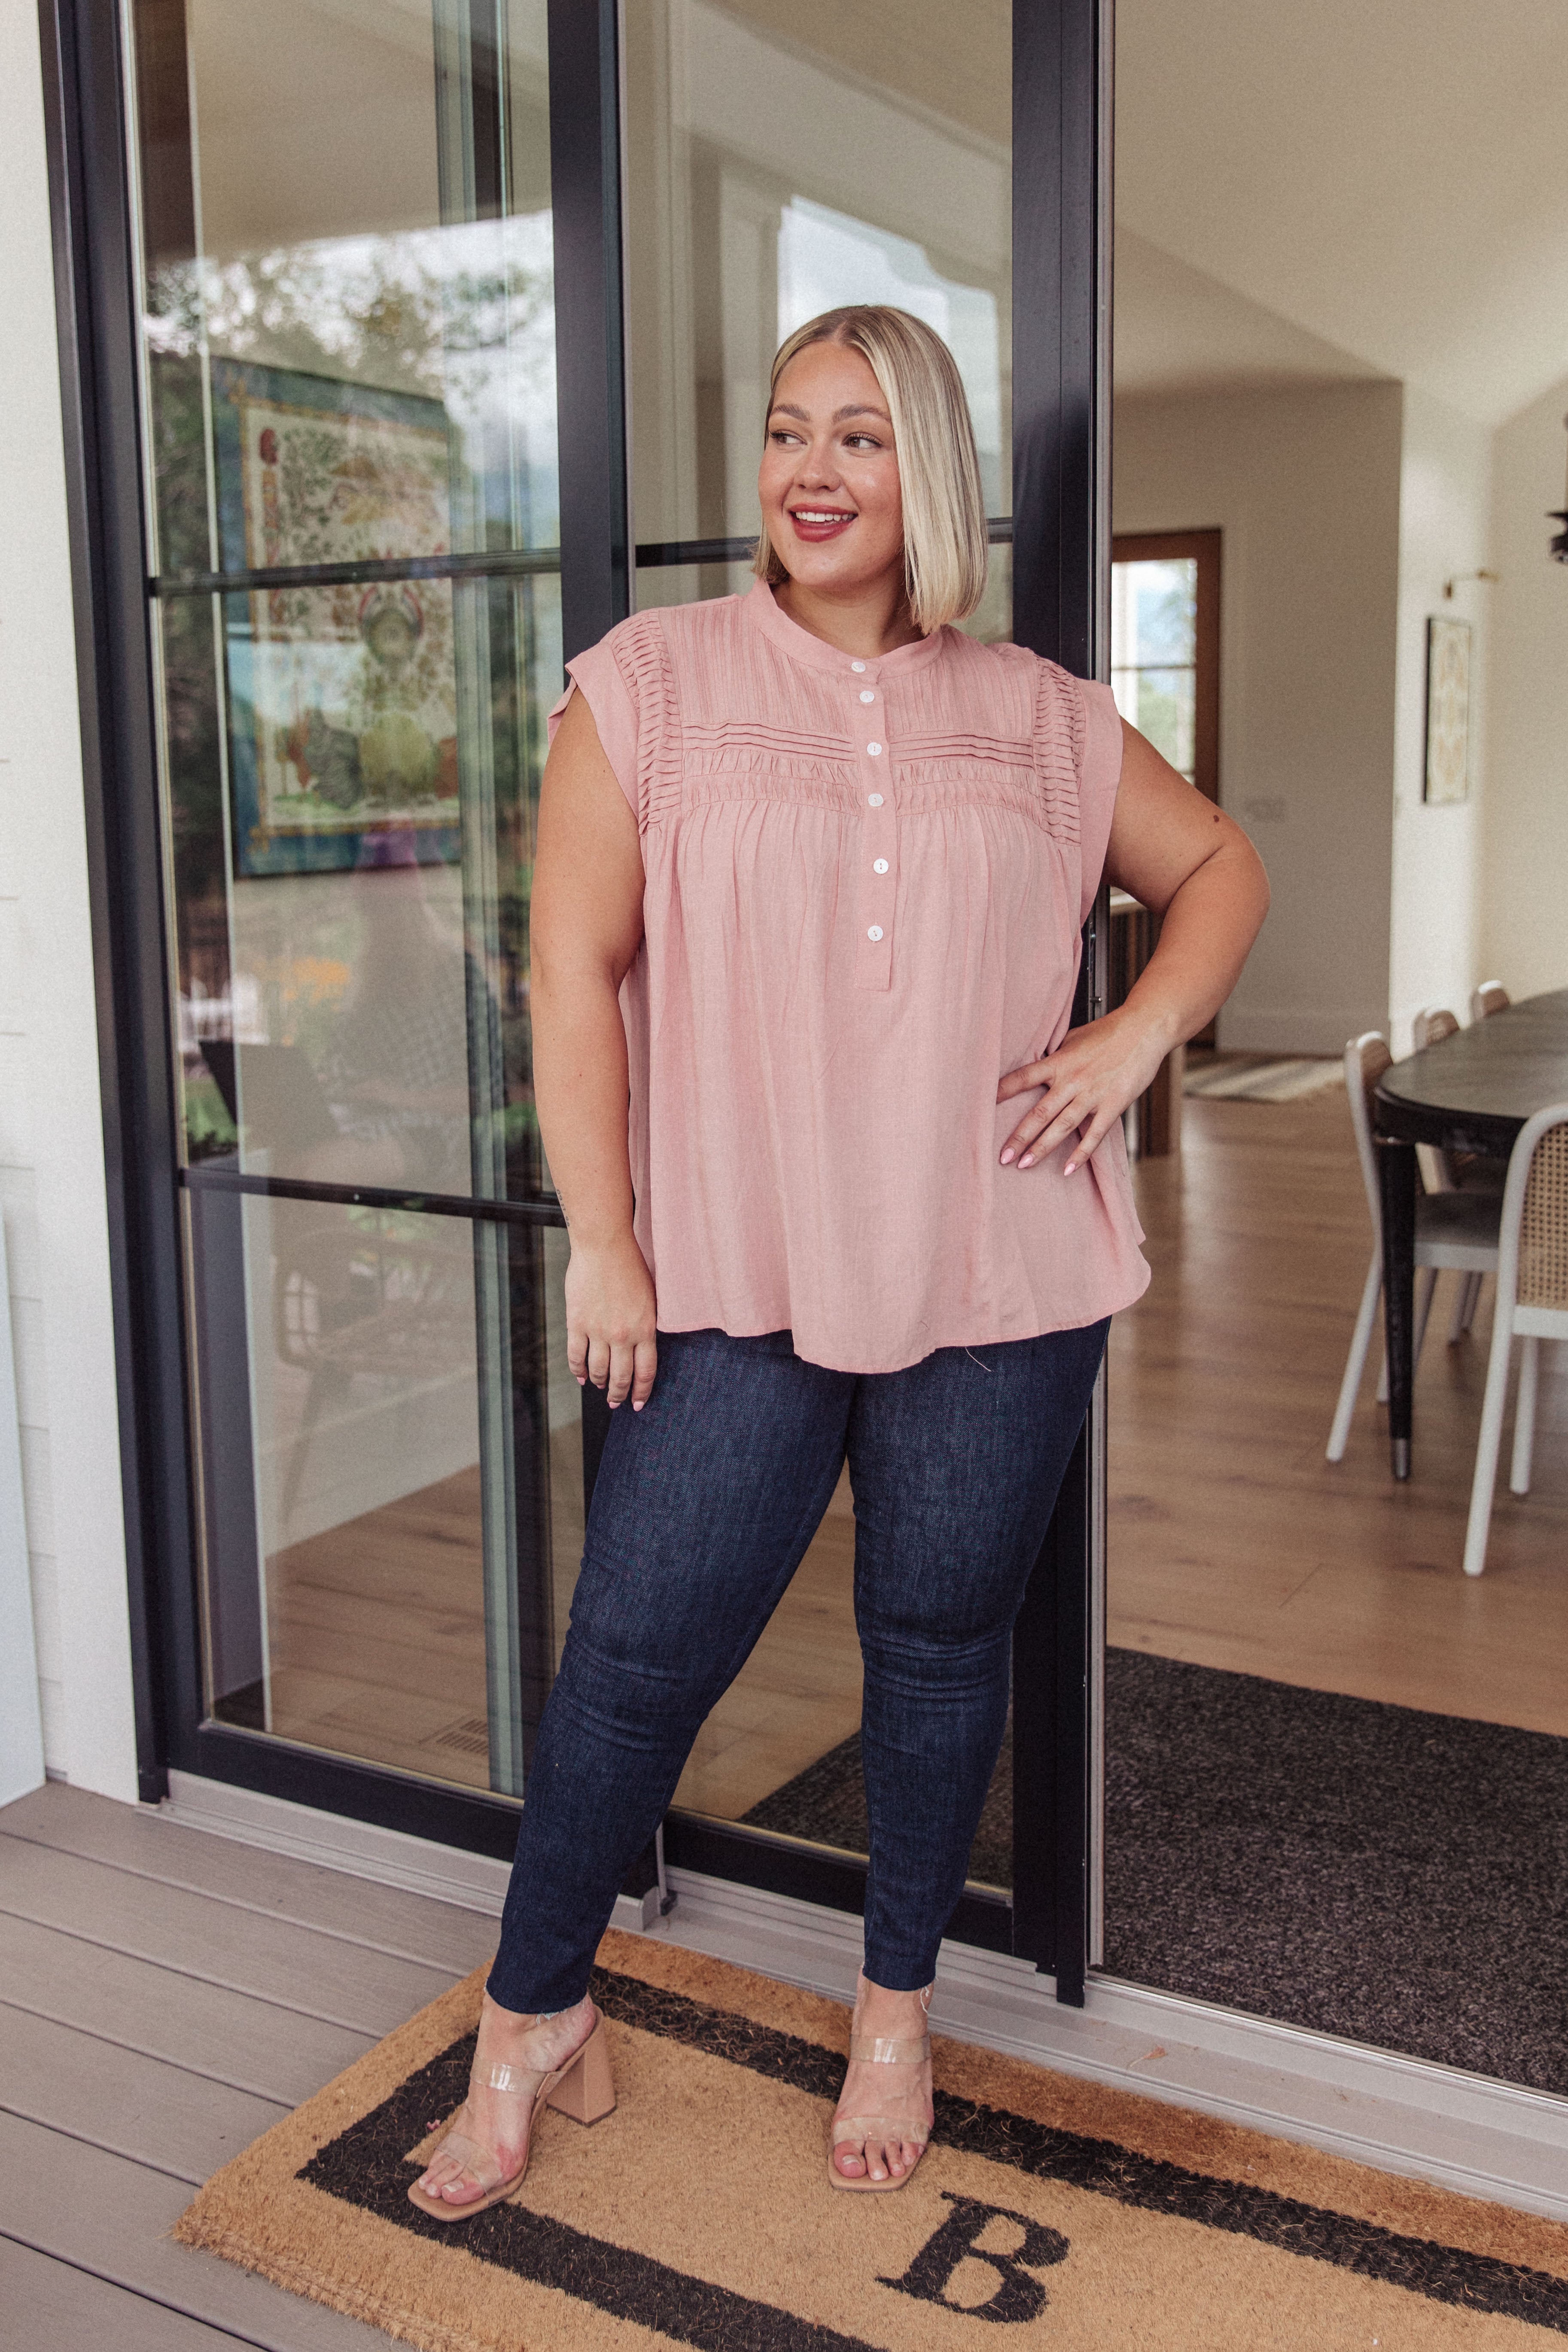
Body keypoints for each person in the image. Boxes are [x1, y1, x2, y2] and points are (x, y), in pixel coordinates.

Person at [411, 305, 1268, 2218]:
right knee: (630, 1667)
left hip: (999, 1269)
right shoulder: (646, 686)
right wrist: (607, 1245)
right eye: (790, 430)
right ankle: (530, 2008)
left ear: (928, 475)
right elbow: (573, 975)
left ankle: (895, 2012)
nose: (811, 469)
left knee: (938, 1653)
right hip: (730, 1267)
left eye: (861, 437)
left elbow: (1217, 869)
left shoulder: (1040, 712)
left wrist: (1132, 1040)